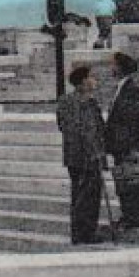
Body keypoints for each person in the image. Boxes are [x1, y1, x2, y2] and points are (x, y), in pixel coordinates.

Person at [56, 64, 107, 245]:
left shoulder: (64, 102)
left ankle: (78, 233)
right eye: (91, 77)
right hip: (88, 156)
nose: (94, 81)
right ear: (83, 81)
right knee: (90, 196)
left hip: (73, 156)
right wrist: (97, 154)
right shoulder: (88, 103)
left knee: (77, 195)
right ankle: (87, 233)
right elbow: (90, 131)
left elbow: (62, 126)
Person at [104, 52, 139, 232]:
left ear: (121, 67)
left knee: (132, 183)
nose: (111, 68)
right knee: (124, 184)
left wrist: (135, 145)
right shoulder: (121, 88)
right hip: (120, 145)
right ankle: (129, 216)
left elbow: (137, 119)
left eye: (114, 65)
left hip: (128, 145)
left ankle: (135, 217)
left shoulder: (131, 89)